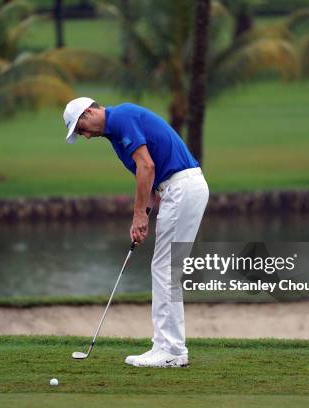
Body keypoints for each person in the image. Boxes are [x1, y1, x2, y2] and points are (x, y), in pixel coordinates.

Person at [62, 97, 209, 368]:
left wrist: (139, 215)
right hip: (178, 189)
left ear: (90, 112)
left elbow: (147, 167)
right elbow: (149, 177)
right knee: (166, 269)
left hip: (182, 187)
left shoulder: (121, 117)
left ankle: (171, 350)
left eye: (81, 128)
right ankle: (169, 347)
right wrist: (146, 215)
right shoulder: (116, 135)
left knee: (165, 269)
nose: (85, 136)